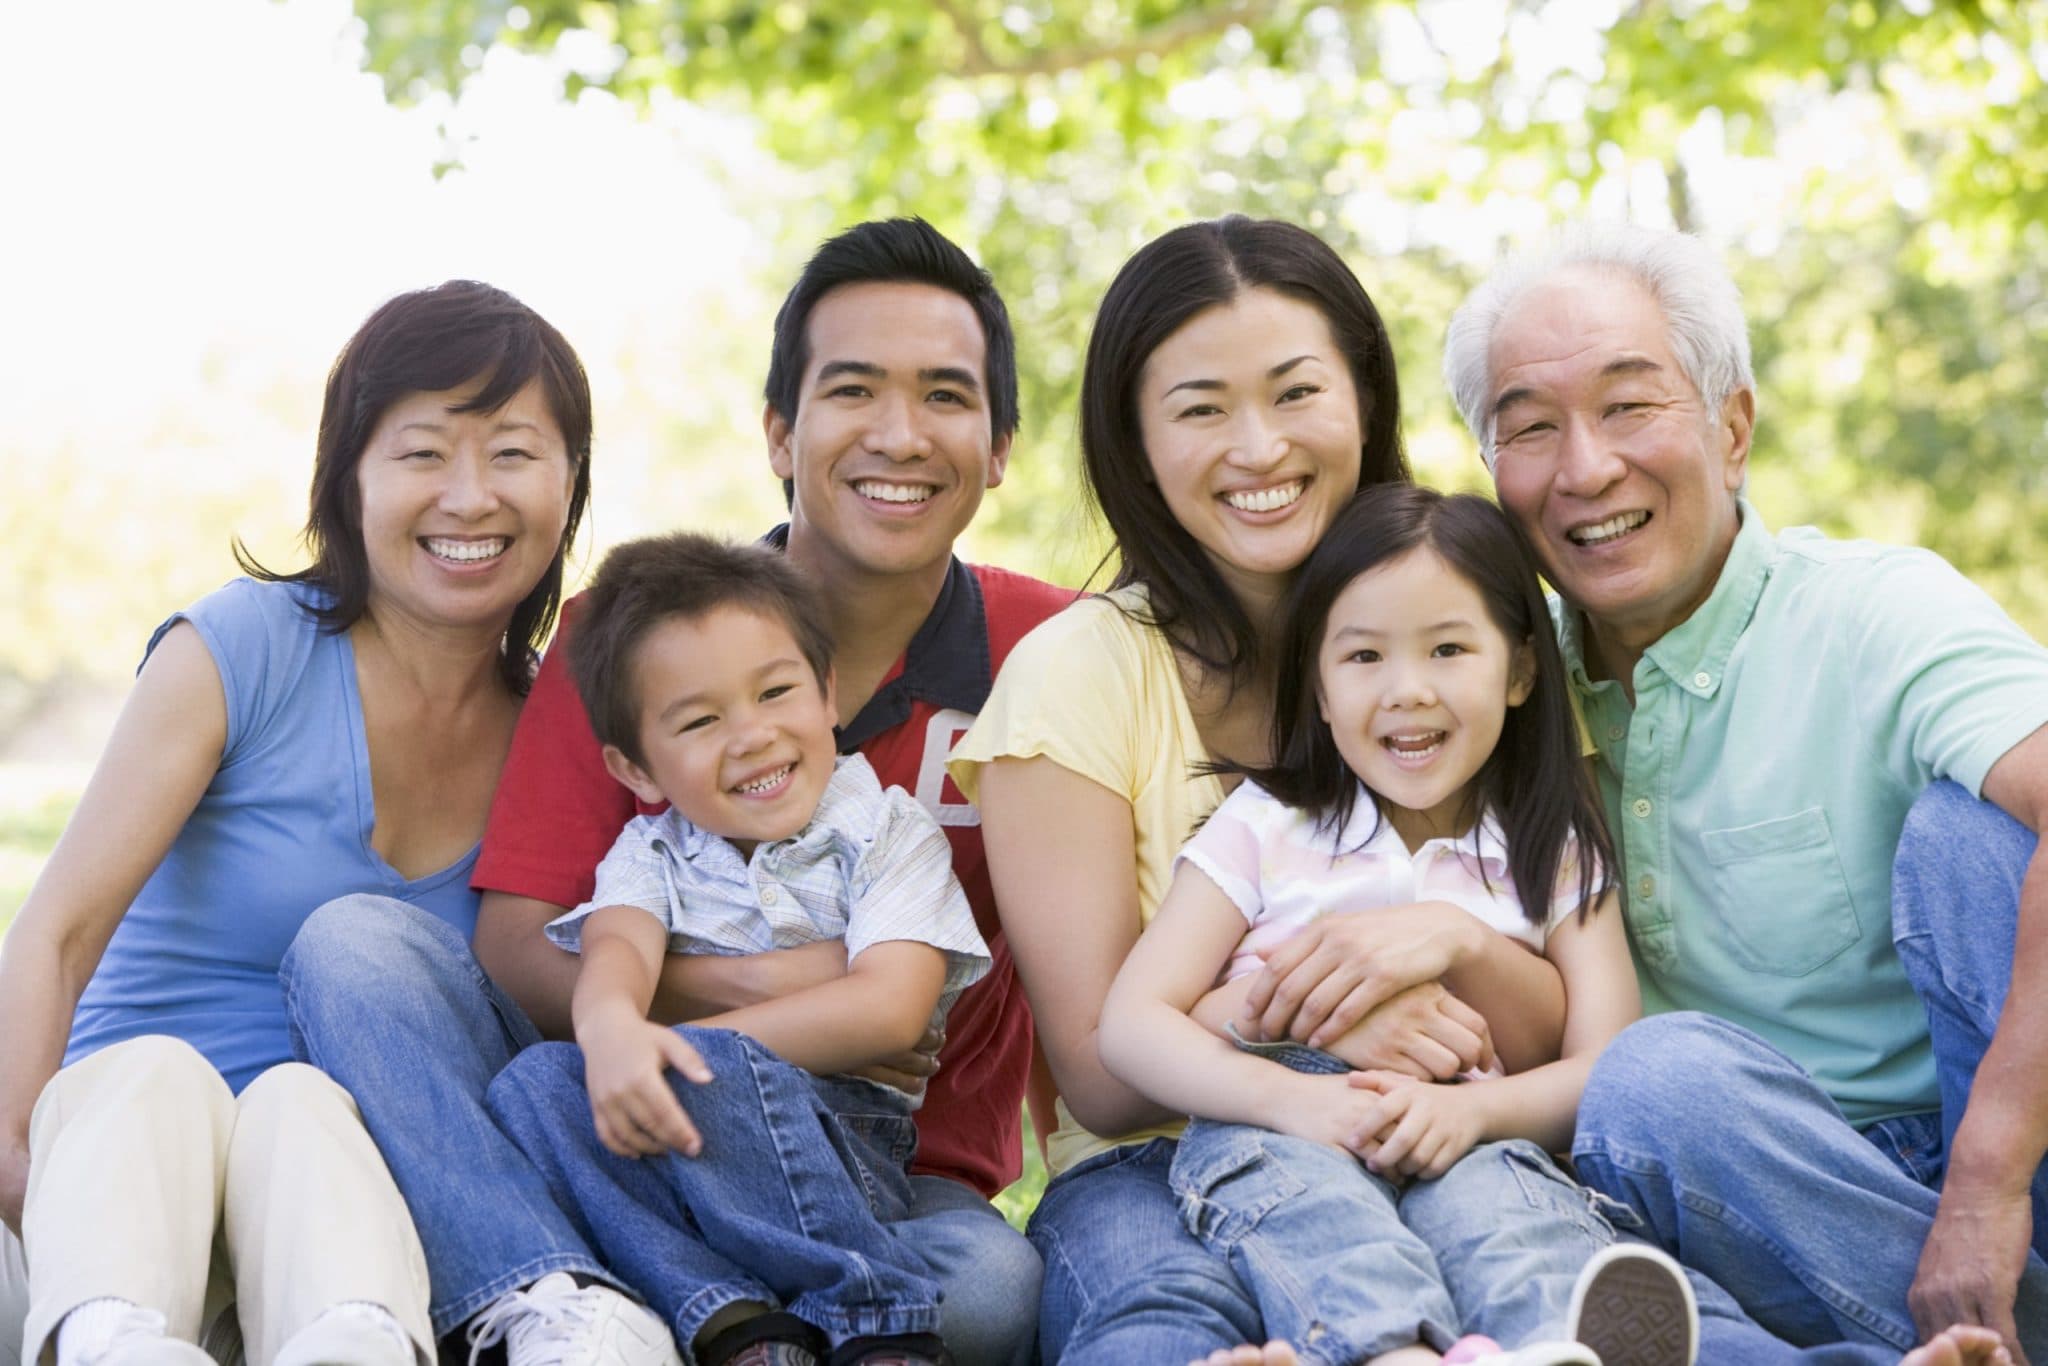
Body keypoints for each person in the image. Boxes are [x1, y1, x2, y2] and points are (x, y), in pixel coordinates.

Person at [280, 218, 1070, 1366]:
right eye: (852, 390)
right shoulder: (627, 631)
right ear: (778, 434)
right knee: (357, 949)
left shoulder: (1051, 651)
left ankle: (680, 1304)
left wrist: (722, 1018)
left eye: (944, 396)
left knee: (992, 1293)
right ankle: (551, 1291)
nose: (898, 433)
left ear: (998, 445)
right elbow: (517, 943)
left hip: (881, 1176)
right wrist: (771, 990)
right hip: (625, 1124)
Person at [949, 216, 1581, 1365]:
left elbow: (1564, 1023)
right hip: (1155, 1161)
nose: (1257, 447)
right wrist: (1333, 1020)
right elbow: (1099, 1065)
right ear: (1136, 443)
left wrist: (1437, 942)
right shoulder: (1077, 673)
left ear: (1363, 401)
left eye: (1295, 393)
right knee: (1166, 1325)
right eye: (1199, 408)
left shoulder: (1453, 643)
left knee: (1541, 1282)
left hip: (1446, 1133)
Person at [1443, 221, 2048, 1364]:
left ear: (1730, 429)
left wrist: (1984, 1176)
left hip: (2007, 1151)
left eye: (1629, 406)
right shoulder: (1494, 697)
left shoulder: (1873, 609)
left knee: (1970, 835)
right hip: (1749, 1197)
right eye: (1529, 428)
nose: (1582, 468)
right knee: (1650, 1083)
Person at [0, 280, 591, 1366]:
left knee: (308, 1108)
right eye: (421, 453)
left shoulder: (565, 733)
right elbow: (56, 932)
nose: (470, 496)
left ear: (569, 485)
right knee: (158, 1081)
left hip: (344, 1214)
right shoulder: (243, 648)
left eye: (512, 452)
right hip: (122, 1186)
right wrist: (19, 1169)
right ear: (348, 480)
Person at [1099, 484, 1699, 1366]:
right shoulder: (1267, 826)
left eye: (1450, 649)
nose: (1407, 691)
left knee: (1511, 1217)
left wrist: (1477, 1117)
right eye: (1365, 657)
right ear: (1320, 685)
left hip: (1468, 1122)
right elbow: (1131, 1022)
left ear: (1522, 670)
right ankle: (1392, 1353)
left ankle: (1556, 1347)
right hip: (1282, 1125)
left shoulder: (1556, 846)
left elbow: (1606, 1064)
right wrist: (1295, 1099)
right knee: (1325, 1222)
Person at [481, 531, 991, 1366]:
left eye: (776, 692)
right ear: (637, 769)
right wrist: (611, 1031)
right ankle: (736, 1322)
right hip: (676, 1150)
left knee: (737, 1072)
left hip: (841, 1149)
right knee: (534, 1083)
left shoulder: (888, 830)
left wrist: (679, 1052)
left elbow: (891, 1008)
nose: (750, 735)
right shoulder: (652, 854)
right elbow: (616, 953)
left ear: (828, 693)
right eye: (701, 720)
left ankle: (878, 1322)